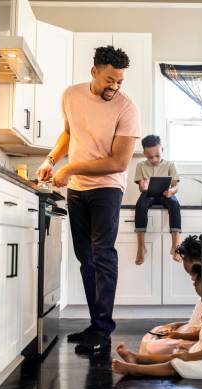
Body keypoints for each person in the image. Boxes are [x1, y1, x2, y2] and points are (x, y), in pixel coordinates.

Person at [36, 45, 140, 354]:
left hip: (107, 188)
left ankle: (103, 330)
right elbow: (68, 132)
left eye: (120, 81)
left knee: (103, 255)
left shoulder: (127, 108)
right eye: (110, 79)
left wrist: (69, 167)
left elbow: (119, 162)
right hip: (77, 189)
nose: (115, 87)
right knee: (86, 258)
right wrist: (51, 160)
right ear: (94, 71)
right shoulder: (71, 95)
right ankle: (97, 325)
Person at [112, 269, 202, 379]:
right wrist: (179, 335)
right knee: (175, 357)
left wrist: (191, 357)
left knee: (174, 366)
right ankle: (137, 358)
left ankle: (135, 370)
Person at [139, 234, 202, 355]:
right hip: (193, 329)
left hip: (198, 337)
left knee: (151, 347)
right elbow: (198, 319)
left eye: (184, 259)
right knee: (156, 332)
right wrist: (176, 325)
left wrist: (178, 335)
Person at [134, 135, 181, 265]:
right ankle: (141, 247)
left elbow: (176, 185)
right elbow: (141, 187)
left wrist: (172, 191)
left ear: (162, 150)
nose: (154, 159)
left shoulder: (170, 165)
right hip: (148, 194)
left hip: (166, 194)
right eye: (150, 157)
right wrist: (143, 187)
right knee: (141, 205)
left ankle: (176, 246)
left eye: (157, 156)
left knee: (175, 203)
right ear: (144, 153)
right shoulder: (140, 166)